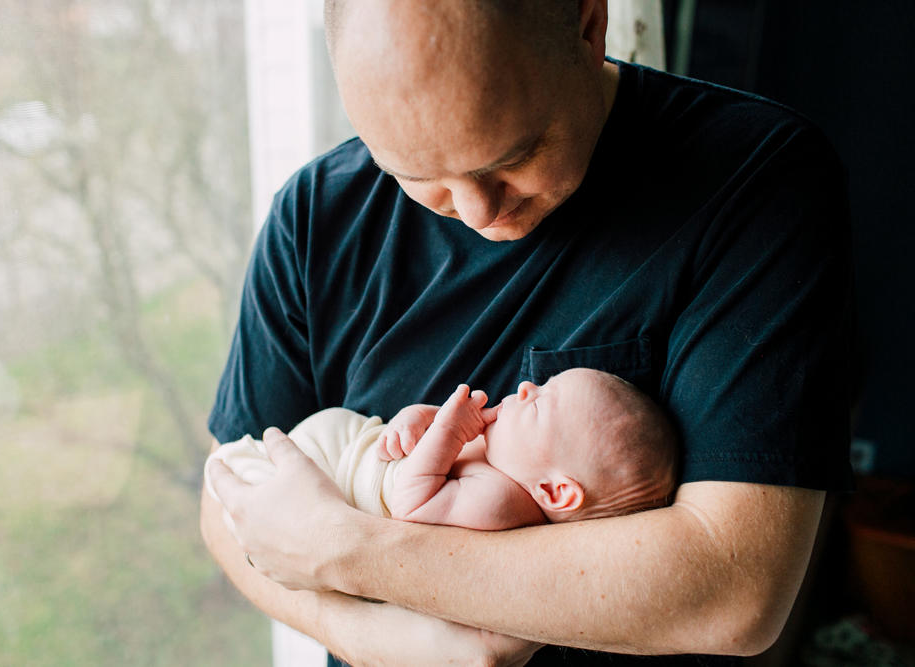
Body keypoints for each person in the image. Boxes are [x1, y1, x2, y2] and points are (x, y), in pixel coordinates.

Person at [202, 1, 854, 666]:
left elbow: (730, 589)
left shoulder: (754, 179)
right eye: (419, 179)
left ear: (589, 26)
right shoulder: (315, 214)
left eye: (512, 156)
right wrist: (371, 638)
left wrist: (342, 548)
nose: (479, 210)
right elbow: (227, 496)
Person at [204, 369, 677, 530]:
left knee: (230, 469)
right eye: (544, 384)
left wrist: (448, 434)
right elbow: (425, 452)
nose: (528, 386)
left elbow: (414, 503)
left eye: (539, 405)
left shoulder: (502, 504)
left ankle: (238, 475)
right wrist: (419, 420)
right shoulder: (503, 459)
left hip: (338, 473)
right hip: (354, 445)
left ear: (555, 492)